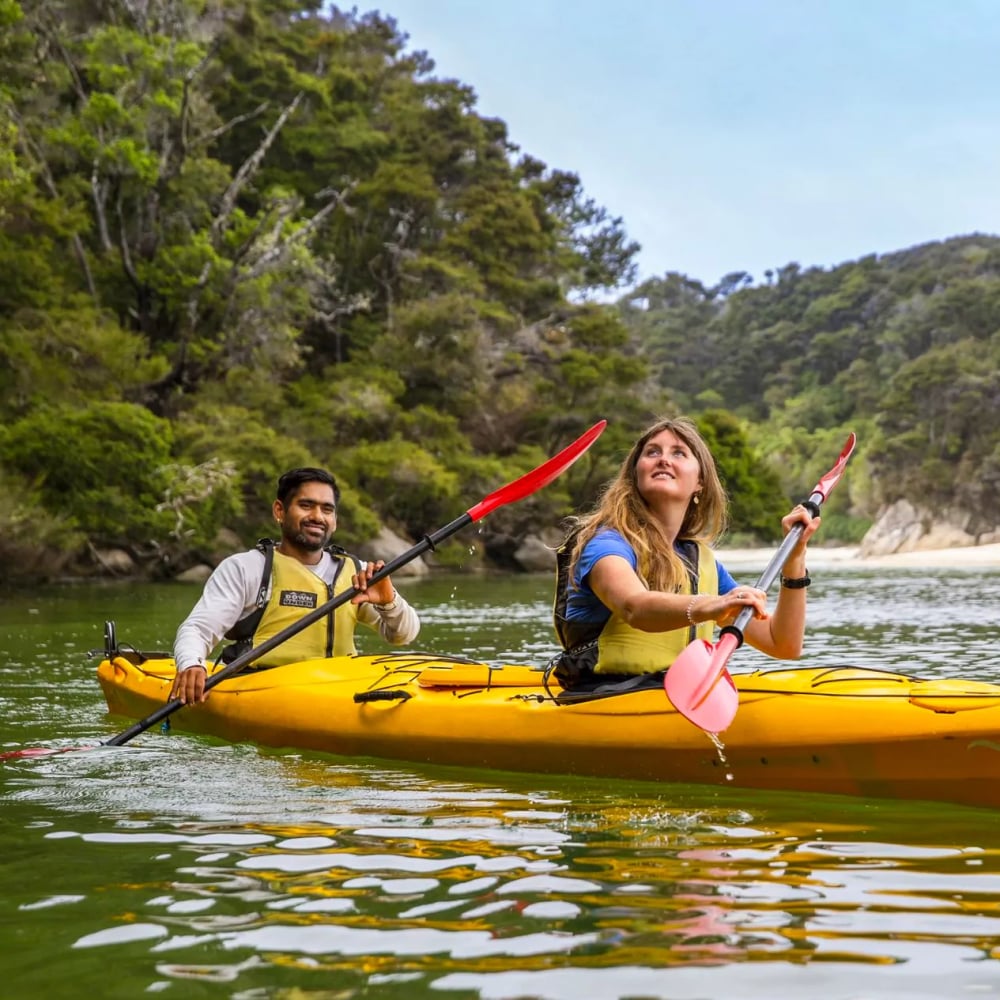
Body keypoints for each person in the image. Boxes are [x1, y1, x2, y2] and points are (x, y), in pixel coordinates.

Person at [552, 416, 819, 688]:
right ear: (635, 474)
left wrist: (795, 558)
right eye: (652, 452)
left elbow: (782, 644)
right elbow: (635, 607)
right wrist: (715, 604)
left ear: (700, 482)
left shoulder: (699, 562)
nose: (663, 459)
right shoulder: (606, 544)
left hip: (670, 694)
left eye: (678, 453)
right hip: (602, 697)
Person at [170, 467, 420, 704]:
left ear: (335, 521)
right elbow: (198, 629)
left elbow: (404, 636)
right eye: (306, 505)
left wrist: (389, 603)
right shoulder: (247, 569)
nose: (317, 517)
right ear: (280, 510)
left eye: (327, 509)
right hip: (264, 690)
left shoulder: (358, 573)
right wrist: (192, 663)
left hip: (342, 690)